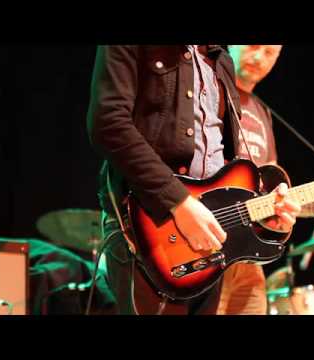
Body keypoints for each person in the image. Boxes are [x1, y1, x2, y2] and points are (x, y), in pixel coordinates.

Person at [86, 45, 301, 315]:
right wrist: (179, 202)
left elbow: (227, 168)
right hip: (150, 228)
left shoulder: (219, 59)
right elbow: (108, 124)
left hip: (210, 244)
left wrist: (264, 213)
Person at [216, 45, 314, 315]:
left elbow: (273, 198)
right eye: (254, 47)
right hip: (208, 246)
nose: (259, 58)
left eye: (270, 52)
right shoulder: (210, 91)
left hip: (248, 259)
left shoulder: (262, 112)